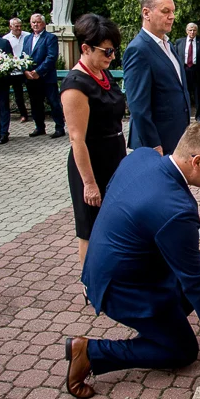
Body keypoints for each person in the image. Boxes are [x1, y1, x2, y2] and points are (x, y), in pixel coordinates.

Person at [66, 123, 200, 399]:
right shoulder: (176, 210)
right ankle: (89, 352)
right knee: (183, 351)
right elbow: (193, 280)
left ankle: (163, 323)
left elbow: (113, 191)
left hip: (116, 265)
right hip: (118, 287)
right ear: (196, 161)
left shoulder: (143, 156)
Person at [61, 14, 127, 265]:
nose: (112, 56)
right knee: (90, 229)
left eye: (114, 51)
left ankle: (111, 276)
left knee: (112, 222)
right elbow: (77, 139)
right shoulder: (76, 85)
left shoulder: (103, 73)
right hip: (92, 162)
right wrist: (89, 183)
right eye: (106, 51)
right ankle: (92, 285)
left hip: (114, 156)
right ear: (85, 48)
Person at [123, 0, 190, 155]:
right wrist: (153, 145)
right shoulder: (138, 50)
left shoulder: (169, 45)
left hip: (176, 136)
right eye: (165, 11)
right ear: (146, 13)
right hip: (156, 142)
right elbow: (138, 105)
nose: (172, 16)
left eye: (173, 11)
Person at [22, 13, 66, 138]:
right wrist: (25, 70)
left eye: (38, 22)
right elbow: (23, 56)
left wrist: (38, 72)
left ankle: (59, 128)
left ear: (44, 24)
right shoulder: (27, 38)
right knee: (36, 104)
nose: (35, 24)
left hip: (46, 77)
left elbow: (51, 57)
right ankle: (39, 127)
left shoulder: (50, 38)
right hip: (31, 78)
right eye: (33, 22)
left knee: (53, 103)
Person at [175, 23, 200, 122]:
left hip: (197, 71)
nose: (192, 32)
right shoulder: (179, 42)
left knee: (198, 95)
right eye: (190, 30)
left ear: (197, 31)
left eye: (194, 30)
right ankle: (185, 116)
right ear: (186, 31)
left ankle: (199, 117)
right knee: (185, 95)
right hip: (184, 71)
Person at [2, 18, 30, 122]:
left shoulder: (27, 35)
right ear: (10, 27)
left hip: (26, 68)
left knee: (32, 92)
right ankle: (23, 114)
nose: (19, 28)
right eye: (16, 26)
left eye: (20, 26)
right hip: (13, 71)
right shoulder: (6, 39)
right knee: (18, 94)